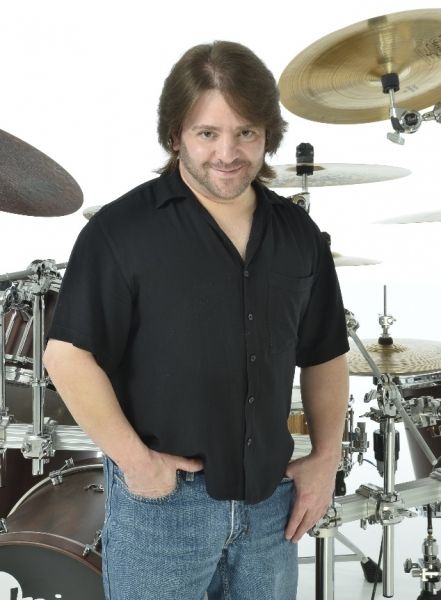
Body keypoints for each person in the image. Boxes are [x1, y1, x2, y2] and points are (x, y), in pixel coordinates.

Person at [43, 40, 349, 600]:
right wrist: (137, 464)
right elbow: (66, 356)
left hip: (270, 509)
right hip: (163, 506)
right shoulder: (121, 231)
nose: (227, 153)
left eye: (246, 133)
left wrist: (326, 459)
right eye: (207, 133)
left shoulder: (299, 234)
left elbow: (326, 353)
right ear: (175, 135)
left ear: (268, 135)